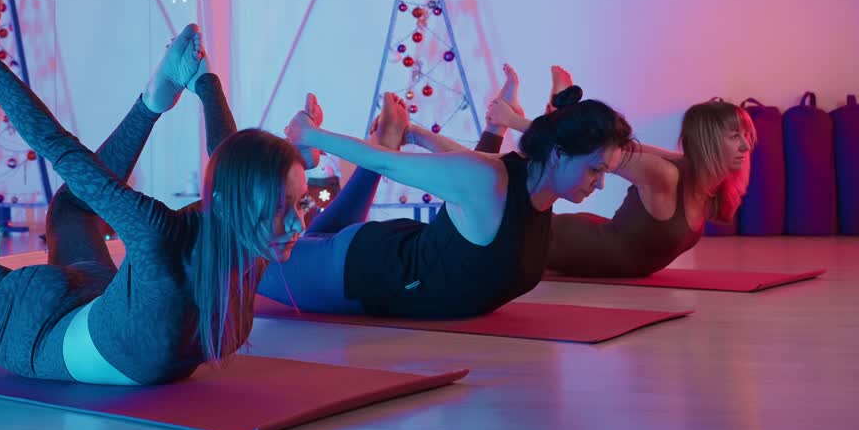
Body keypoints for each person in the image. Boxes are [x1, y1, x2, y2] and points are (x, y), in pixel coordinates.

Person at [0, 0, 309, 386]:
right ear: (240, 200)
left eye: (300, 204)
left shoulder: (250, 242)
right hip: (29, 327)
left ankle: (154, 97)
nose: (298, 224)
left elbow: (228, 156)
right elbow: (61, 150)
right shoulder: (165, 235)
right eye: (283, 207)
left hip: (96, 298)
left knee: (75, 208)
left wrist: (205, 82)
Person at [257, 82, 634, 318]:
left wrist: (415, 133)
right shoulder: (491, 182)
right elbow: (388, 163)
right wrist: (310, 134)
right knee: (235, 255)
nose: (599, 184)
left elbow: (469, 159)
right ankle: (286, 153)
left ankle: (321, 152)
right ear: (558, 155)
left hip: (387, 254)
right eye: (595, 170)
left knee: (295, 245)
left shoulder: (526, 182)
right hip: (361, 275)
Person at [481, 64, 754, 278]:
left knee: (513, 192)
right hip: (569, 243)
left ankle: (557, 107)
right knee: (488, 211)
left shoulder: (703, 182)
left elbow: (629, 148)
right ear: (708, 142)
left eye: (745, 134)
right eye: (734, 136)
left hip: (597, 237)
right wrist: (514, 122)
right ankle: (498, 126)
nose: (746, 145)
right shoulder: (665, 177)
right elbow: (597, 150)